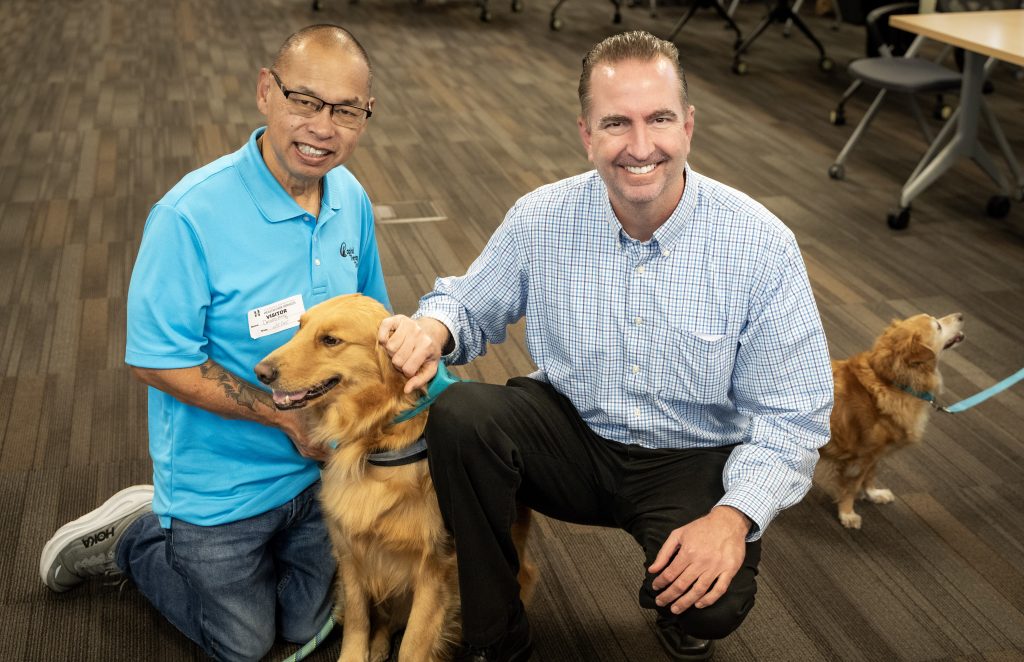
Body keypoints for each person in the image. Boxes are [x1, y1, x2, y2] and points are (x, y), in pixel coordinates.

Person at [378, 30, 833, 662]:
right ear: (587, 135)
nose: (641, 146)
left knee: (714, 605)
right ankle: (495, 636)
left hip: (689, 455)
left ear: (689, 126)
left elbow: (795, 416)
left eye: (660, 119)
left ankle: (681, 612)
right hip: (571, 436)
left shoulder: (760, 244)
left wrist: (734, 520)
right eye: (616, 123)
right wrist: (433, 330)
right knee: (462, 417)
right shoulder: (543, 216)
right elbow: (465, 304)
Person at [39, 25, 388, 661]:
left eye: (346, 110)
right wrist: (286, 424)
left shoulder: (351, 200)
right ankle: (138, 538)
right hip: (219, 487)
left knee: (306, 623)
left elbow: (372, 319)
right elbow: (154, 360)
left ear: (365, 116)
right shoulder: (188, 216)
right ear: (265, 91)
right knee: (246, 647)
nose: (323, 127)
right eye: (305, 101)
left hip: (322, 475)